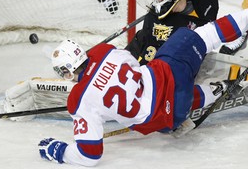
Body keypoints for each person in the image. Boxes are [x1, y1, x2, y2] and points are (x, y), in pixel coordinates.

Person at [38, 9, 248, 166]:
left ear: (66, 72)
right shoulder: (103, 52)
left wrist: (60, 151)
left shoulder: (78, 101)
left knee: (170, 102)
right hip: (170, 74)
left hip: (168, 119)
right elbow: (133, 64)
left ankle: (218, 90)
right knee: (203, 35)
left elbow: (89, 155)